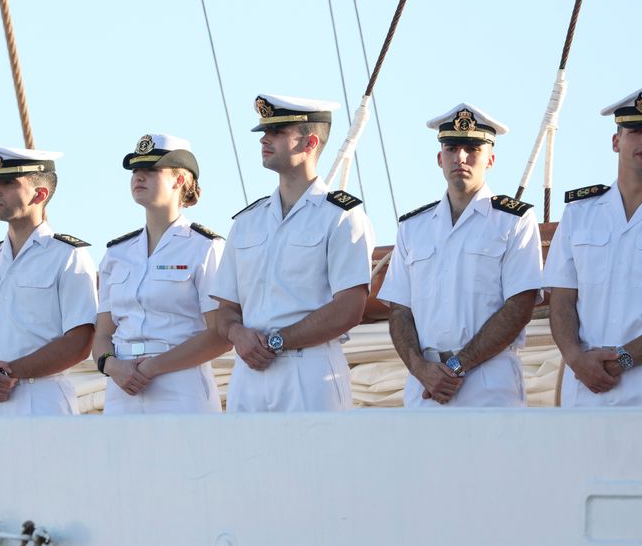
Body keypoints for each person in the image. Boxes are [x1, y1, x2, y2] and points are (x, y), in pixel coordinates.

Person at [210, 94, 374, 412]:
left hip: (310, 369)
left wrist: (278, 340)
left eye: (278, 132)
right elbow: (227, 307)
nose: (265, 139)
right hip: (248, 373)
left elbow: (350, 308)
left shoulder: (341, 216)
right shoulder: (247, 223)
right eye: (264, 132)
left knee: (314, 462)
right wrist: (236, 332)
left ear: (309, 142)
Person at [378, 104, 542, 407]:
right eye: (452, 148)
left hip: (488, 382)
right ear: (440, 159)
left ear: (490, 159)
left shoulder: (514, 221)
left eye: (472, 149)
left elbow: (520, 304)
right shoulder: (413, 228)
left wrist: (456, 366)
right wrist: (419, 369)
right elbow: (400, 309)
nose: (461, 158)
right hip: (424, 385)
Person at [0, 145, 97, 415]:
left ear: (39, 194)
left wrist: (7, 373)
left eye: (7, 183)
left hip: (44, 400)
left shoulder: (68, 257)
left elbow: (79, 342)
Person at [93, 134, 229, 414]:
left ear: (180, 180)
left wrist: (155, 366)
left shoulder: (205, 247)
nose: (139, 176)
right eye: (136, 171)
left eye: (151, 170)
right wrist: (111, 365)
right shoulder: (117, 254)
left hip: (180, 384)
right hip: (121, 386)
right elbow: (102, 334)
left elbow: (220, 334)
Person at [544, 89, 642, 406]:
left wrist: (624, 358)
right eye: (635, 131)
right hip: (584, 391)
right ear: (616, 142)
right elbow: (562, 296)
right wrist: (574, 357)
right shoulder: (580, 213)